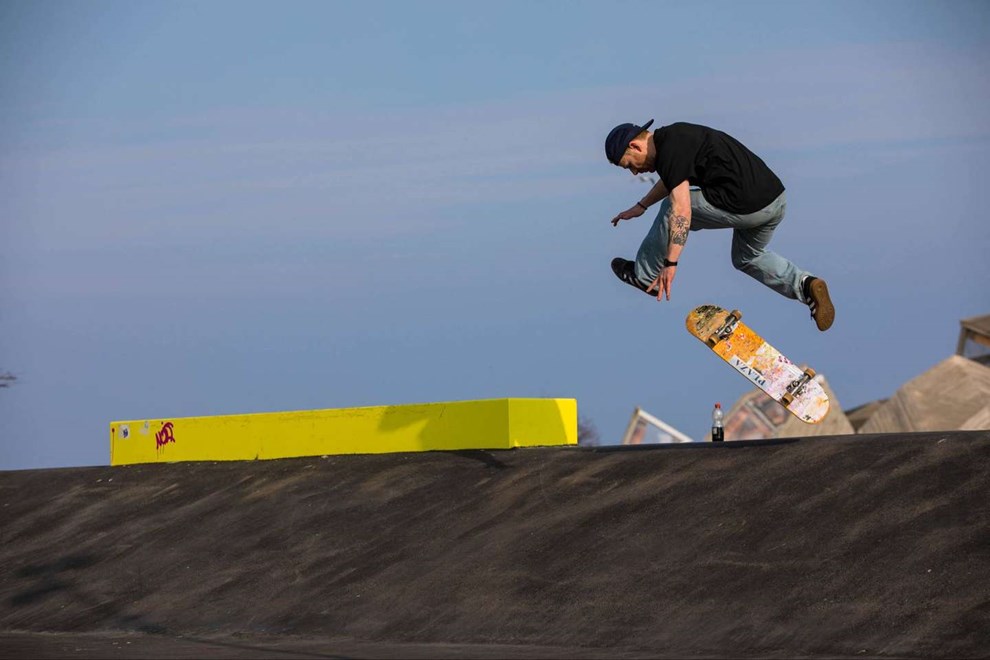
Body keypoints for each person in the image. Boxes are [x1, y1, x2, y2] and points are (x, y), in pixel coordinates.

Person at [605, 119, 834, 331]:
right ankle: (806, 285)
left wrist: (670, 262)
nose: (635, 171)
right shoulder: (676, 138)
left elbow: (682, 210)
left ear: (635, 146)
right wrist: (642, 205)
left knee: (671, 208)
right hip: (775, 201)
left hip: (747, 206)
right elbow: (672, 179)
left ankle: (645, 277)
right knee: (747, 257)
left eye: (629, 166)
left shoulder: (670, 151)